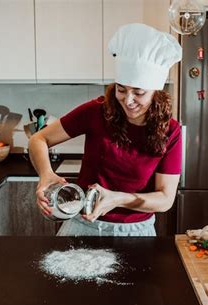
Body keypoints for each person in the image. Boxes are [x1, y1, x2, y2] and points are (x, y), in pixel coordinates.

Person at [28, 23, 182, 236]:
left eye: (138, 92)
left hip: (137, 232)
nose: (128, 100)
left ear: (156, 92)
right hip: (83, 225)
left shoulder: (170, 131)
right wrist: (45, 174)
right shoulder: (97, 111)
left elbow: (165, 199)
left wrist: (118, 198)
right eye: (121, 89)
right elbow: (39, 139)